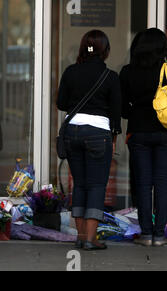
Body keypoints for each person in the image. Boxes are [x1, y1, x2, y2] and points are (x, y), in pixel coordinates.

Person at [120, 28, 167, 247]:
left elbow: (122, 110)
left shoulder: (127, 72)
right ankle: (160, 235)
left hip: (138, 133)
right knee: (162, 183)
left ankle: (145, 234)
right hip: (166, 135)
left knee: (142, 184)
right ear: (162, 48)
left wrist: (137, 110)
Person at [57, 30, 122, 251]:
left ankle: (81, 236)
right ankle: (89, 239)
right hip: (98, 135)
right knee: (96, 186)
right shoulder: (110, 77)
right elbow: (116, 112)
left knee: (80, 184)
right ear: (105, 51)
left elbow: (61, 103)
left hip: (72, 133)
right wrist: (113, 137)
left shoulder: (70, 72)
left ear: (84, 48)